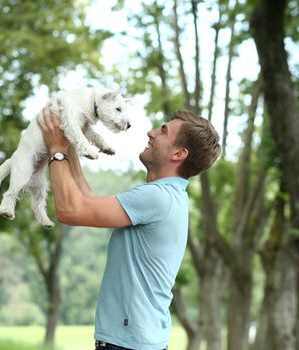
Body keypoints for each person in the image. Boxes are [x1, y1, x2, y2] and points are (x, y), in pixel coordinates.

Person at [37, 107, 221, 350]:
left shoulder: (157, 198)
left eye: (163, 131)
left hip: (128, 344)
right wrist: (70, 144)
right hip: (138, 341)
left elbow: (70, 211)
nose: (151, 132)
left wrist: (57, 151)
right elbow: (88, 201)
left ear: (178, 153)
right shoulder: (170, 196)